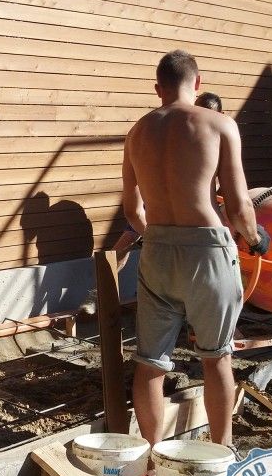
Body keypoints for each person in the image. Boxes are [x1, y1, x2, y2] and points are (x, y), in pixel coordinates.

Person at [123, 50, 269, 447]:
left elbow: (132, 211)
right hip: (207, 251)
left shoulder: (137, 133)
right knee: (216, 357)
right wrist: (255, 239)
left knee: (150, 363)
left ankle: (153, 455)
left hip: (157, 250)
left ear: (158, 88)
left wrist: (157, 235)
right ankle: (221, 454)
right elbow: (239, 206)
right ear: (198, 83)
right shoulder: (219, 124)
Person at [78, 90, 226, 316]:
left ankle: (195, 309)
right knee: (127, 242)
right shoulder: (182, 128)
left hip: (192, 209)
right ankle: (97, 294)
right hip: (159, 200)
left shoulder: (218, 135)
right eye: (198, 110)